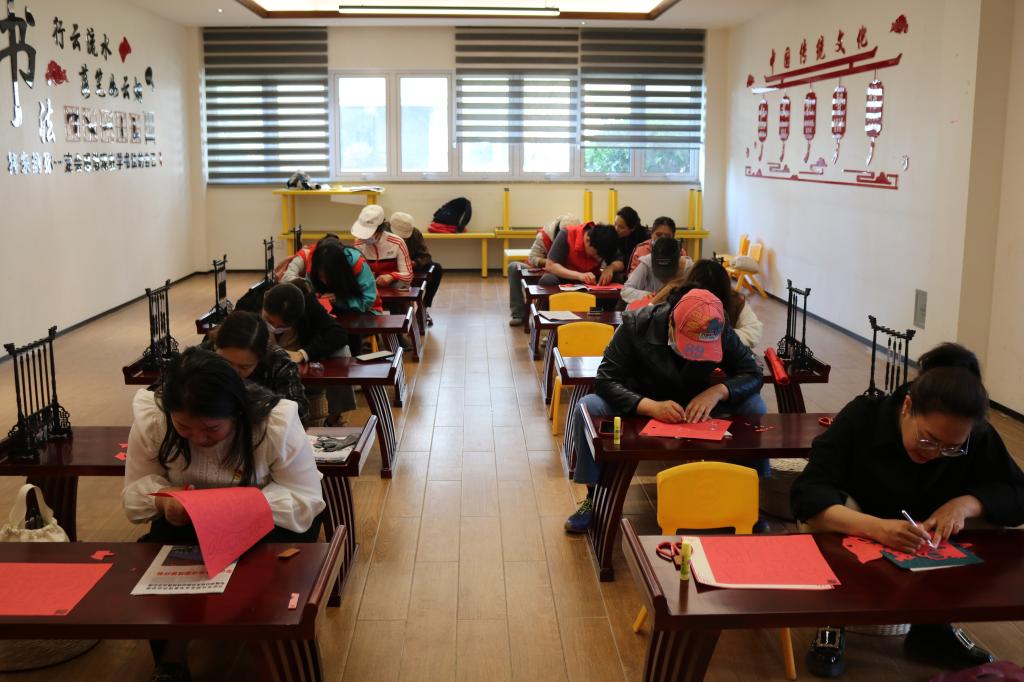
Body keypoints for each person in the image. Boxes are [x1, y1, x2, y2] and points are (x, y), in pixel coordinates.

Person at [792, 343, 1024, 678]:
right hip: (862, 522)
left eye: (952, 448)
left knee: (989, 514)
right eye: (928, 439)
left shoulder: (976, 435)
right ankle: (833, 619)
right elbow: (807, 492)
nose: (936, 453)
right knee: (822, 518)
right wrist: (875, 527)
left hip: (924, 534)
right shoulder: (863, 417)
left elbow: (1018, 493)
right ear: (907, 406)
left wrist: (965, 504)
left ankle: (933, 626)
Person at [123, 348, 325, 682]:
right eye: (184, 427)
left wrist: (234, 505)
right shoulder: (154, 420)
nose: (198, 438)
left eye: (211, 428)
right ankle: (172, 658)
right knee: (163, 551)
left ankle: (263, 642)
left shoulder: (274, 423)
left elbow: (305, 499)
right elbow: (134, 492)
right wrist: (165, 501)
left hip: (269, 518)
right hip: (190, 518)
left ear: (237, 412)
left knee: (257, 570)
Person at [564, 287, 766, 533]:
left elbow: (753, 372)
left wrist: (717, 392)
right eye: (688, 345)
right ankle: (593, 498)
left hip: (695, 407)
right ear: (671, 322)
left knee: (754, 405)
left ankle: (747, 500)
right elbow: (605, 380)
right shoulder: (635, 325)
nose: (693, 356)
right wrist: (649, 406)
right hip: (638, 403)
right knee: (588, 407)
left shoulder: (717, 327)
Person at [261, 281, 354, 425]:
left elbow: (338, 333)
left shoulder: (306, 303)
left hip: (299, 369)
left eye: (282, 326)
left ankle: (334, 419)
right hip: (263, 372)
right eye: (269, 321)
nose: (274, 327)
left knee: (342, 351)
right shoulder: (249, 304)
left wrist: (303, 354)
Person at [203, 310, 309, 424]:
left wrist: (252, 395)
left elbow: (300, 413)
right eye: (226, 363)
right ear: (216, 347)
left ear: (260, 358)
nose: (233, 372)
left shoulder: (278, 361)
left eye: (244, 367)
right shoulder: (202, 356)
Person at [652, 259, 764, 349]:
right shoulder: (674, 292)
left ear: (723, 294)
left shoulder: (735, 301)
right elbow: (649, 317)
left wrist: (715, 335)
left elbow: (752, 332)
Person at [508, 213, 579, 326]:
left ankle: (549, 316)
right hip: (539, 272)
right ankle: (518, 314)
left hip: (562, 277)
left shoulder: (581, 240)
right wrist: (551, 263)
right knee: (513, 267)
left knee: (549, 280)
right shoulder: (543, 237)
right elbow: (533, 258)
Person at [307, 236, 382, 315]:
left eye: (329, 277)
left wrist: (340, 301)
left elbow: (368, 301)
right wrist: (317, 299)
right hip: (329, 313)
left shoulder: (357, 264)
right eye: (320, 277)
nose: (325, 282)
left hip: (365, 311)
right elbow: (309, 295)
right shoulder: (313, 264)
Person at [390, 211, 441, 326]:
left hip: (411, 267)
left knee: (436, 269)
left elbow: (426, 256)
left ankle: (423, 307)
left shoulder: (415, 233)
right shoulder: (384, 233)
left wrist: (414, 263)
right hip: (390, 270)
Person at [540, 222, 623, 287]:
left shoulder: (605, 240)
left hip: (592, 281)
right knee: (548, 280)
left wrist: (610, 268)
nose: (597, 258)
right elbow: (550, 265)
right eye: (596, 255)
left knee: (618, 277)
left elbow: (620, 263)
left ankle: (606, 305)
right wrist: (579, 275)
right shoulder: (566, 234)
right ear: (587, 240)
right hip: (565, 278)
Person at [351, 204, 413, 290]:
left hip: (393, 290)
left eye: (369, 234)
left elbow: (408, 276)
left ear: (380, 230)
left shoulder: (397, 242)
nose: (365, 238)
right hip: (369, 290)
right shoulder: (358, 244)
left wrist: (392, 276)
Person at [621, 237, 693, 305]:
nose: (663, 278)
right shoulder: (647, 262)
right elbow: (625, 290)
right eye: (660, 270)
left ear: (678, 260)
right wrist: (648, 295)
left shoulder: (689, 269)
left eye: (667, 270)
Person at [613, 206, 649, 270]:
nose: (616, 229)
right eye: (615, 224)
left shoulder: (644, 240)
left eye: (621, 227)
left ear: (632, 228)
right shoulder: (614, 234)